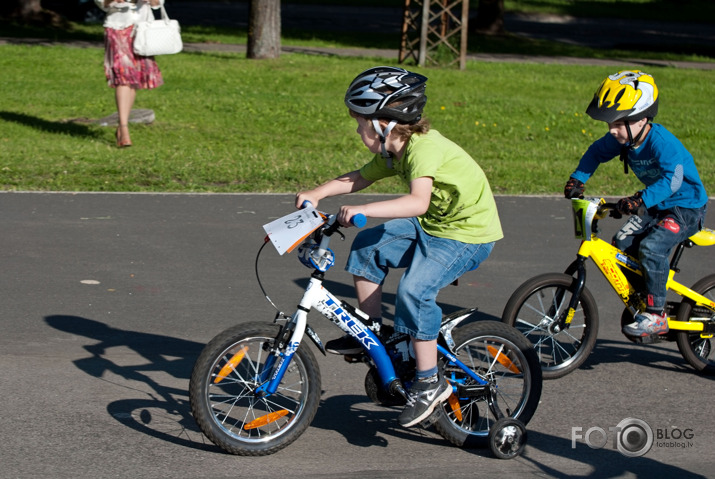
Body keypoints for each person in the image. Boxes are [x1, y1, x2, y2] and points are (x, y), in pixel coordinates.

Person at [295, 66, 503, 428]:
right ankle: (372, 332)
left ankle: (428, 381)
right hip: (434, 226)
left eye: (361, 124)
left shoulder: (424, 149)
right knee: (368, 246)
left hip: (467, 235)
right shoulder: (395, 151)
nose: (358, 131)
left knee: (414, 290)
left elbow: (418, 202)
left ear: (384, 124)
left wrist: (363, 210)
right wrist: (318, 192)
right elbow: (359, 177)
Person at [564, 70, 708, 338]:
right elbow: (595, 152)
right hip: (656, 204)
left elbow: (673, 181)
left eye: (619, 124)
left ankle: (656, 314)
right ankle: (646, 295)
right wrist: (578, 179)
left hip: (685, 208)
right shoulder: (625, 139)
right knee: (622, 242)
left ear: (642, 118)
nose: (613, 130)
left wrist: (640, 199)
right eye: (610, 125)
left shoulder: (663, 144)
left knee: (652, 248)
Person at [94, 0, 165, 147]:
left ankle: (121, 126)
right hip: (117, 27)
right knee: (123, 76)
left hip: (143, 29)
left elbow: (158, 2)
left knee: (134, 80)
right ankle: (124, 129)